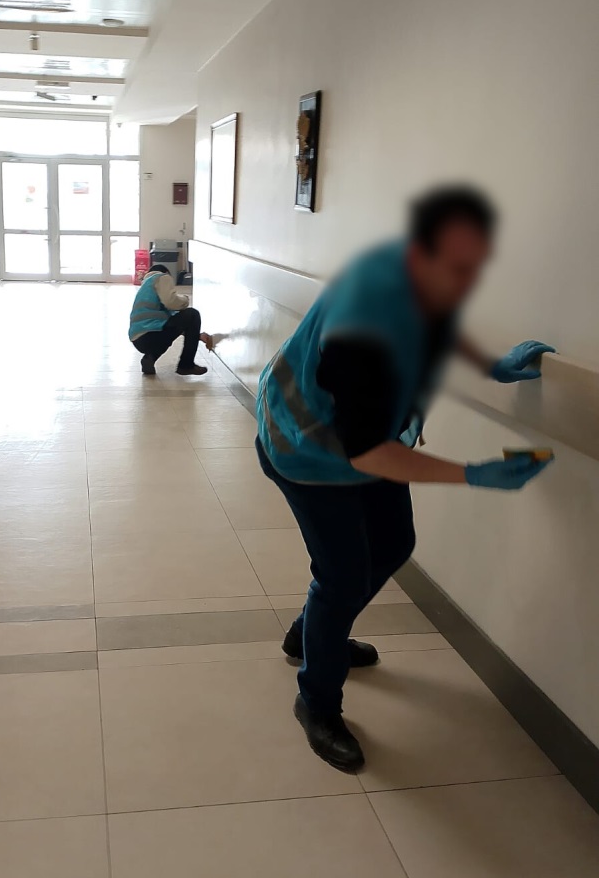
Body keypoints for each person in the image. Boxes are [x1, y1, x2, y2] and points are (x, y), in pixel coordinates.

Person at [256, 185, 554, 772]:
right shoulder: (364, 327)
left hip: (359, 442)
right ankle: (316, 700)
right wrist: (475, 475)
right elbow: (369, 454)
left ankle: (311, 633)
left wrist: (492, 365)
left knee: (394, 543)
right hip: (305, 451)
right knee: (342, 576)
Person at [129, 263, 213, 376]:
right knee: (192, 314)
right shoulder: (161, 277)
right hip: (151, 335)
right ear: (167, 273)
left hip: (138, 340)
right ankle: (186, 365)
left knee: (167, 332)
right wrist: (185, 300)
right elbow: (171, 302)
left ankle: (150, 358)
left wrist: (197, 336)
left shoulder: (146, 286)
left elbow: (175, 325)